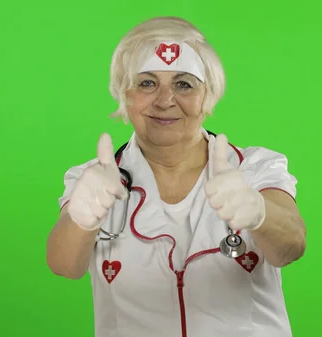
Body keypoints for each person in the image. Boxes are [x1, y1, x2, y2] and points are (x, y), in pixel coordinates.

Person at [46, 16, 307, 337]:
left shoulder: (255, 167)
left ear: (207, 94)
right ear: (123, 94)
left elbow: (291, 248)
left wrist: (259, 212)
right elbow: (64, 265)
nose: (165, 100)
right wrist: (81, 219)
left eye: (184, 84)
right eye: (146, 83)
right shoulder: (97, 179)